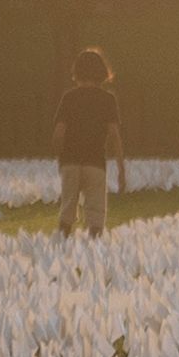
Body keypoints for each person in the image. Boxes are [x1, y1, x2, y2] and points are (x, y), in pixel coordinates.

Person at [53, 48, 126, 237]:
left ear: (76, 71)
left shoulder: (69, 97)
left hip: (70, 161)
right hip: (95, 162)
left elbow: (59, 133)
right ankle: (94, 248)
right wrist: (121, 169)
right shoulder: (107, 99)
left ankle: (63, 245)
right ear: (102, 72)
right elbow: (115, 136)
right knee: (96, 211)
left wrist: (60, 158)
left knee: (67, 208)